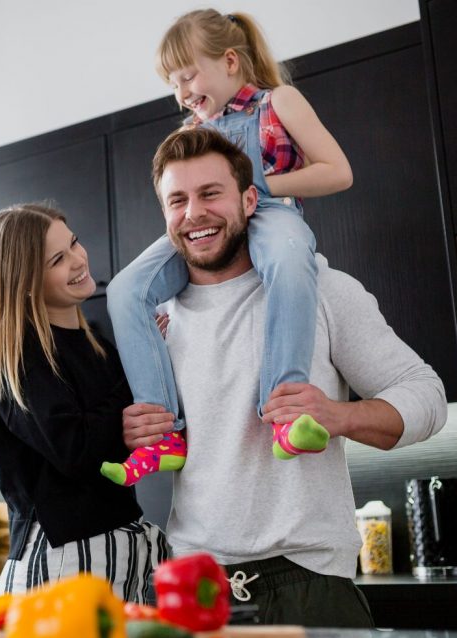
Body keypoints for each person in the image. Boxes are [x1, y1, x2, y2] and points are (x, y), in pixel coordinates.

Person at [123, 125, 447, 627]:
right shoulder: (157, 320)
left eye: (211, 193)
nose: (194, 214)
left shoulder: (324, 290)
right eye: (177, 200)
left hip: (309, 583)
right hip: (191, 585)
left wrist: (337, 415)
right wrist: (136, 431)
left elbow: (427, 396)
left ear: (250, 199)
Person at [102, 9, 353, 486]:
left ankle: (284, 413)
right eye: (173, 84)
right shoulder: (187, 135)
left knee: (286, 259)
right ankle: (166, 436)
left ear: (231, 61)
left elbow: (338, 171)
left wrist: (254, 187)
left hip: (273, 212)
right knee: (125, 289)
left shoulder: (279, 101)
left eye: (188, 76)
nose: (181, 93)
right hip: (207, 228)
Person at [0, 202, 170, 601]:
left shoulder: (97, 344)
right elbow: (75, 451)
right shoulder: (16, 358)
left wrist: (148, 353)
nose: (79, 259)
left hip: (114, 553)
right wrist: (137, 374)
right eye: (58, 259)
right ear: (26, 281)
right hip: (63, 564)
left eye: (74, 243)